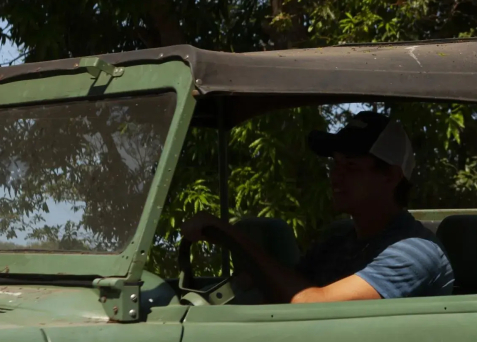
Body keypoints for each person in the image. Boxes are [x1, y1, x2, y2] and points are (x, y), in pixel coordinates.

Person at [181, 111, 454, 302]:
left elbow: (309, 303)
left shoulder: (414, 252)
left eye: (351, 166)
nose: (336, 175)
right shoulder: (338, 241)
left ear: (391, 177)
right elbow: (281, 287)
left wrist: (232, 237)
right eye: (335, 164)